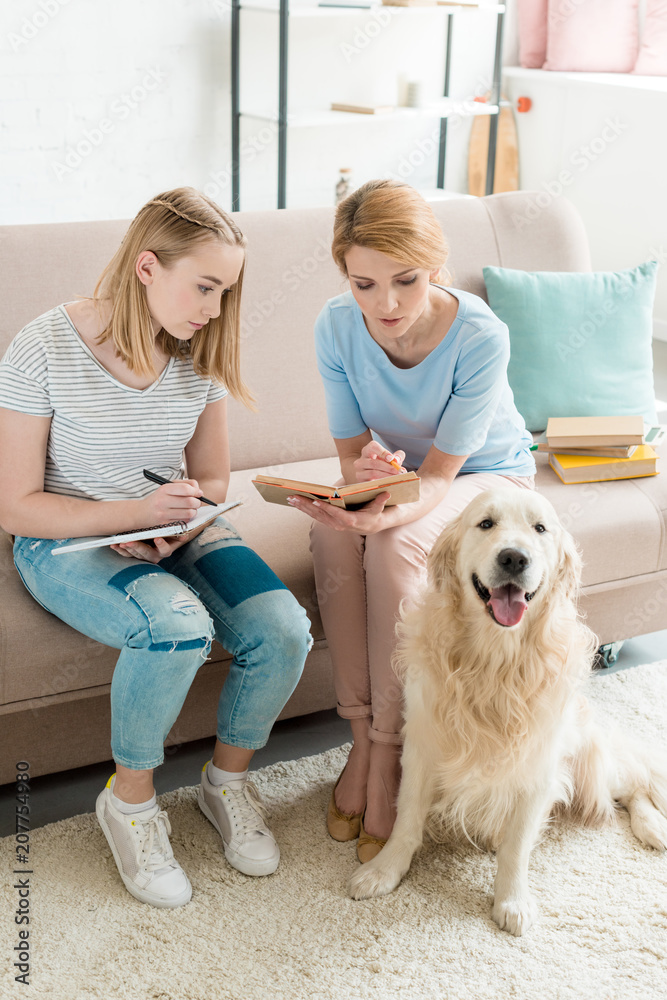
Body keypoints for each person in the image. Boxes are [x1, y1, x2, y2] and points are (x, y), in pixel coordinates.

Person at [0, 187, 312, 908]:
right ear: (147, 267)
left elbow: (208, 476)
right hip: (65, 540)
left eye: (225, 290)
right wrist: (129, 515)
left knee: (283, 628)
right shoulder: (42, 347)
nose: (213, 306)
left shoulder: (197, 350)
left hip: (169, 526)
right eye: (204, 286)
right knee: (176, 630)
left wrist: (179, 517)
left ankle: (226, 782)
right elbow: (15, 507)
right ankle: (131, 802)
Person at [286, 179, 536, 862]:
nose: (385, 304)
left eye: (405, 280)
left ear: (435, 265)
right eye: (363, 284)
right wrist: (364, 472)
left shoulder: (481, 335)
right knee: (330, 536)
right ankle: (361, 738)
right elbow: (348, 453)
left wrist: (385, 505)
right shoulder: (335, 325)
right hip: (409, 478)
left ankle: (392, 751)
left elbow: (441, 476)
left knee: (393, 547)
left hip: (487, 476)